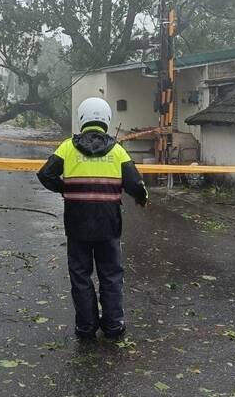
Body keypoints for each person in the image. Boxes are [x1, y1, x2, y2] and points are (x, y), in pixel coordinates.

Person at [37, 97, 148, 340]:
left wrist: (64, 188)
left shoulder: (67, 147)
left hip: (77, 225)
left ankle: (86, 328)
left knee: (80, 275)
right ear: (106, 119)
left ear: (82, 119)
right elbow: (135, 184)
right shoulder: (117, 151)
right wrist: (142, 198)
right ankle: (114, 326)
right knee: (111, 275)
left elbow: (45, 174)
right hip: (109, 225)